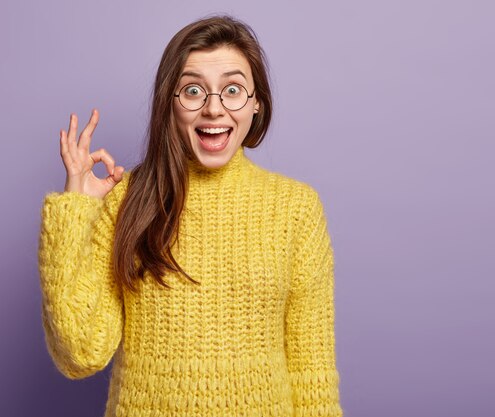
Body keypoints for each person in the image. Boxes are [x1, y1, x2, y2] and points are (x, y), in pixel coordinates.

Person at [38, 14, 343, 417]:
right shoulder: (128, 198)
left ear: (256, 105)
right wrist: (78, 208)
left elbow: (312, 376)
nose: (213, 109)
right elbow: (80, 352)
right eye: (194, 90)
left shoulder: (297, 209)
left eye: (233, 90)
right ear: (170, 102)